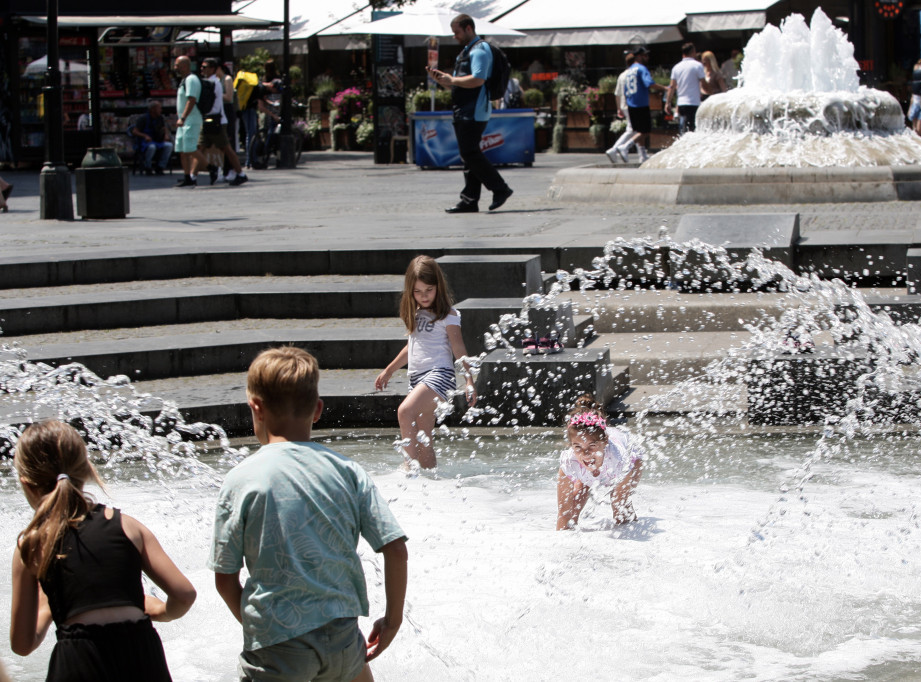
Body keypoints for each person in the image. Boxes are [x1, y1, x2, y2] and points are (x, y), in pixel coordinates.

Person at [209, 347, 408, 682]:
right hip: (344, 641)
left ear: (256, 408)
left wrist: (268, 630)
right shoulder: (348, 471)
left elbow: (225, 579)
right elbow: (395, 549)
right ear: (317, 410)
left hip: (278, 650)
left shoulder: (241, 479)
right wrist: (392, 621)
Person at [10, 420, 196, 680]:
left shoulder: (31, 546)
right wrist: (162, 611)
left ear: (27, 484)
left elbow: (22, 644)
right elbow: (185, 594)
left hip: (77, 662)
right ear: (86, 470)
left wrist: (46, 605)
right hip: (141, 656)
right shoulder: (128, 527)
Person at [375, 255, 477, 470]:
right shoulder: (416, 313)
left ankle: (408, 469)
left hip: (440, 375)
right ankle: (432, 483)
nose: (423, 296)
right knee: (424, 440)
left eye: (428, 290)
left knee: (404, 412)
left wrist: (469, 380)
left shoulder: (449, 315)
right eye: (418, 291)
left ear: (438, 286)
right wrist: (389, 370)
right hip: (417, 377)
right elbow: (411, 347)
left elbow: (458, 349)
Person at [428, 14, 514, 213]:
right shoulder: (466, 52)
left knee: (469, 152)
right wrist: (444, 80)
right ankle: (469, 200)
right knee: (469, 154)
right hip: (465, 109)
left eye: (457, 32)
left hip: (475, 110)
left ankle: (500, 188)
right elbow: (461, 83)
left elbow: (478, 80)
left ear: (468, 28)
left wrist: (451, 80)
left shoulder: (480, 51)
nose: (455, 36)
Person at [556, 395, 643, 530]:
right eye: (578, 447)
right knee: (573, 507)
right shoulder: (569, 462)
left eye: (592, 446)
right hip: (596, 468)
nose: (585, 453)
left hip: (632, 462)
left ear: (605, 442)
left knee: (620, 506)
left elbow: (621, 501)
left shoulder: (618, 459)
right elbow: (563, 515)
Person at [607, 46, 667, 164]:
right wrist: (665, 88)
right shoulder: (641, 68)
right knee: (644, 131)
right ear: (639, 56)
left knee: (637, 130)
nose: (647, 58)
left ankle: (642, 155)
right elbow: (649, 83)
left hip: (631, 104)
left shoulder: (628, 71)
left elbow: (622, 91)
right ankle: (625, 147)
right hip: (641, 103)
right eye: (645, 55)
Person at [198, 58, 247, 186]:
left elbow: (227, 98)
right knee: (199, 148)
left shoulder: (220, 81)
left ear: (215, 68)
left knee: (226, 148)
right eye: (201, 67)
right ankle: (191, 176)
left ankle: (239, 173)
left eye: (205, 67)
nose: (202, 69)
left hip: (218, 119)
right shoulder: (211, 82)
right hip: (212, 118)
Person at [173, 55, 207, 187]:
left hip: (191, 119)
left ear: (185, 65)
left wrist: (183, 117)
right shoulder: (183, 80)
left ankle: (211, 168)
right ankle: (188, 177)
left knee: (190, 148)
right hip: (183, 120)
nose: (175, 68)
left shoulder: (192, 80)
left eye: (177, 65)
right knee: (182, 149)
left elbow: (192, 99)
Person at [665, 43, 705, 134]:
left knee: (684, 128)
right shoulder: (697, 65)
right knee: (693, 130)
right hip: (694, 102)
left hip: (682, 103)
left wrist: (668, 102)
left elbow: (672, 87)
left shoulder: (676, 67)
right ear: (693, 52)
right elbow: (704, 83)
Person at [605, 52, 636, 164]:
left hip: (624, 105)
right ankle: (617, 148)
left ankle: (620, 149)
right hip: (632, 104)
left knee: (632, 129)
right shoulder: (632, 74)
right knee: (634, 130)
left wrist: (619, 108)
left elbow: (617, 94)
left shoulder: (622, 75)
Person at [131, 100, 173, 175]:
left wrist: (166, 135)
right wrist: (145, 136)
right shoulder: (143, 119)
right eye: (159, 108)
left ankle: (160, 166)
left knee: (169, 146)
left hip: (158, 140)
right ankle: (148, 166)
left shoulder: (160, 118)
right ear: (153, 109)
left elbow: (164, 128)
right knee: (152, 147)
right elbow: (135, 131)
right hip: (146, 142)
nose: (161, 110)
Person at [909, 59, 921, 135]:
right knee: (915, 130)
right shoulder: (916, 66)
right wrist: (910, 106)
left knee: (919, 129)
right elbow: (914, 89)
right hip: (916, 101)